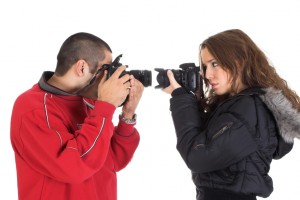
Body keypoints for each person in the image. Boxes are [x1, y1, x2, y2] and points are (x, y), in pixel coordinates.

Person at [162, 29, 300, 200]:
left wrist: (181, 100)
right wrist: (194, 102)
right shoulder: (240, 105)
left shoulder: (250, 108)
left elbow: (197, 156)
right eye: (205, 67)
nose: (207, 74)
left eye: (214, 64)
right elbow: (209, 142)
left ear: (239, 62)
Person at [10, 32, 144, 200]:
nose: (109, 78)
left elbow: (113, 161)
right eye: (106, 69)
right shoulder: (32, 108)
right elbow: (73, 168)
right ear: (81, 67)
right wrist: (105, 107)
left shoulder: (91, 103)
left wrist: (127, 114)